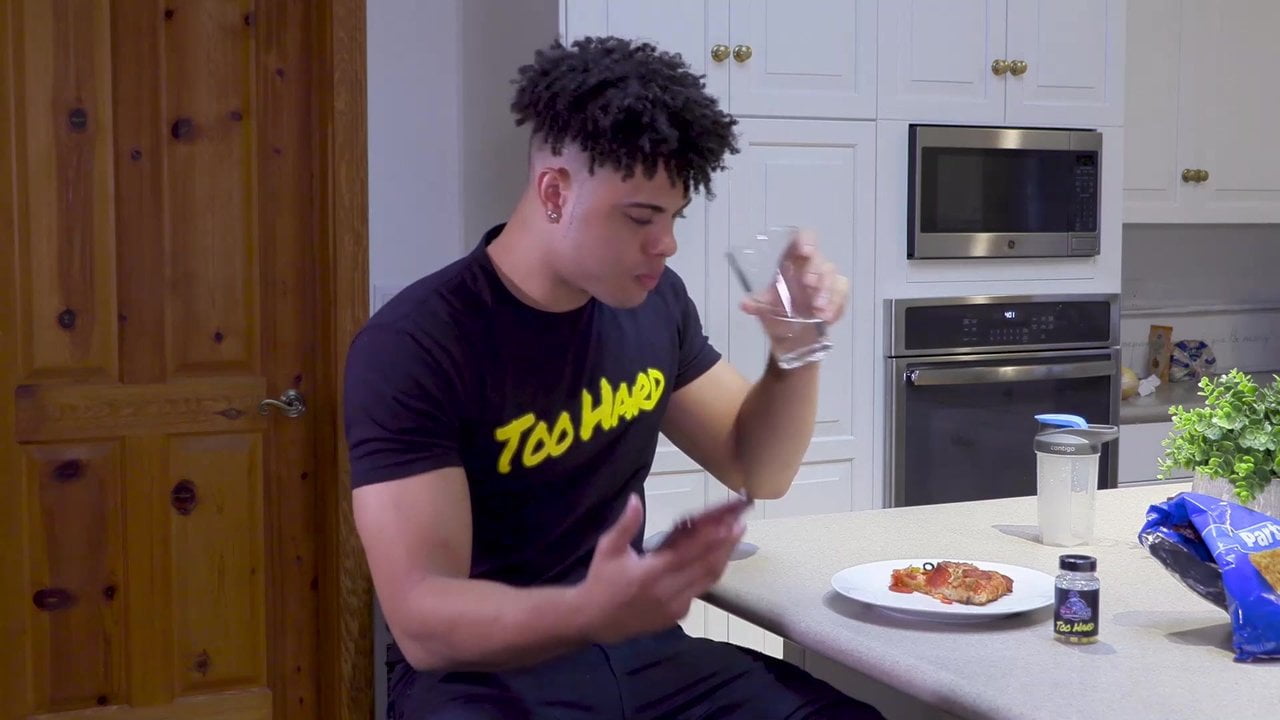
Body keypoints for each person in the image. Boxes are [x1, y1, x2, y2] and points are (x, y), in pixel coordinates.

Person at [344, 35, 884, 720]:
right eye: (640, 218)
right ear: (555, 191)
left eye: (674, 218)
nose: (667, 244)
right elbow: (424, 623)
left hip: (639, 653)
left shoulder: (656, 303)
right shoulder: (415, 344)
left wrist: (797, 351)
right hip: (481, 676)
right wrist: (585, 610)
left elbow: (758, 468)